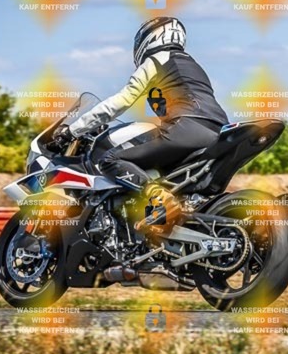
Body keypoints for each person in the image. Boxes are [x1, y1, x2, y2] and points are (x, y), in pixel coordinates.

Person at [53, 17, 228, 232]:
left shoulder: (157, 60)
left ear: (150, 38)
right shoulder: (193, 65)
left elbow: (120, 102)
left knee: (111, 159)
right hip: (218, 130)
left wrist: (73, 130)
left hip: (188, 126)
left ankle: (159, 199)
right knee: (165, 176)